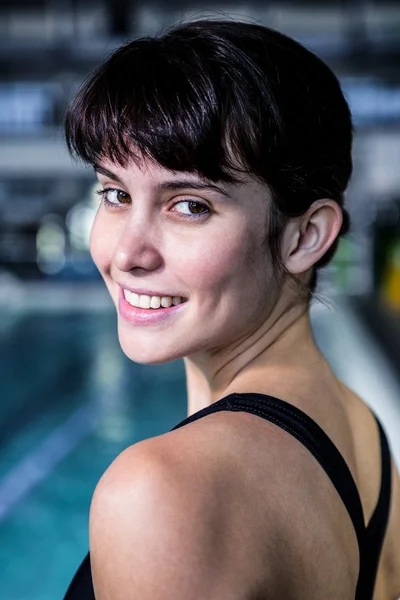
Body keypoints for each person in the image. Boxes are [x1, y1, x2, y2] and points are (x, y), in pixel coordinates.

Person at [63, 18, 400, 600]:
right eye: (115, 194)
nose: (126, 253)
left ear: (306, 237)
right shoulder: (362, 430)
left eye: (189, 205)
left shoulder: (162, 493)